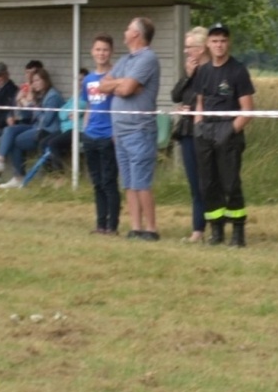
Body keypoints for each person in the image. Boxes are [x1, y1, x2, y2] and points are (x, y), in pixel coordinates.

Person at [97, 17, 162, 241]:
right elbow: (103, 85)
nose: (125, 32)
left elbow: (126, 90)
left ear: (136, 34)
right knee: (128, 182)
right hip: (120, 131)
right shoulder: (125, 60)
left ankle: (151, 229)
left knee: (141, 182)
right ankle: (135, 227)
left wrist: (121, 84)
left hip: (139, 129)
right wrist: (121, 82)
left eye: (128, 28)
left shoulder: (148, 59)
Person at [192, 23, 256, 246]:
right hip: (206, 132)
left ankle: (238, 233)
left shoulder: (238, 70)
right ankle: (216, 230)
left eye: (223, 41)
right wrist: (198, 126)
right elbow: (200, 102)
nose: (219, 45)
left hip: (229, 132)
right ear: (208, 44)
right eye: (215, 41)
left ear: (228, 43)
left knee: (230, 184)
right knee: (208, 185)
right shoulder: (203, 71)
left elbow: (248, 110)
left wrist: (230, 131)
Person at [0, 67, 64, 187]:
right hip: (35, 126)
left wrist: (33, 105)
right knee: (9, 130)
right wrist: (20, 102)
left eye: (37, 80)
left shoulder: (53, 96)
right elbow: (27, 116)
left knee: (16, 140)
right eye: (33, 81)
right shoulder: (39, 95)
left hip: (48, 130)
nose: (34, 84)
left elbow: (46, 121)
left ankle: (18, 176)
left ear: (45, 80)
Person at [171, 26, 210, 243]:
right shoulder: (190, 71)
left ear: (202, 48)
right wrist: (187, 76)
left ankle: (217, 227)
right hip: (187, 132)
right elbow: (176, 95)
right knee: (195, 183)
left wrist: (193, 107)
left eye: (189, 47)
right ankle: (198, 229)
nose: (186, 51)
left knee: (210, 181)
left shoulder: (213, 71)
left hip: (209, 132)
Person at [81, 35, 121, 235]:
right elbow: (89, 105)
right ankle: (100, 224)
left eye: (105, 50)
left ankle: (112, 226)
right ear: (92, 52)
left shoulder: (115, 76)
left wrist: (116, 132)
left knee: (109, 182)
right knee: (97, 183)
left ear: (111, 52)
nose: (101, 53)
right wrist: (84, 130)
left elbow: (120, 106)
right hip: (91, 136)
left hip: (108, 136)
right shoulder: (88, 80)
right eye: (98, 49)